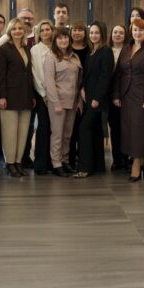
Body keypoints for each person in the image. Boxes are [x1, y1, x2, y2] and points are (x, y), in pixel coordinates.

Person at [113, 18, 144, 182]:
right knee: (128, 130)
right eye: (135, 30)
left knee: (139, 131)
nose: (137, 32)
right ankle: (134, 159)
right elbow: (118, 74)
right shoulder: (126, 48)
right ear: (131, 32)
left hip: (142, 96)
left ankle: (136, 165)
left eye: (141, 30)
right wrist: (116, 95)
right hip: (125, 95)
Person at [0, 18, 35, 177]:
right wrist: (1, 96)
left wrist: (32, 95)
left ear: (24, 31)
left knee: (23, 131)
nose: (17, 31)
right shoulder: (4, 49)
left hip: (26, 96)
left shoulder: (27, 49)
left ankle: (18, 162)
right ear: (10, 31)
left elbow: (30, 74)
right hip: (10, 96)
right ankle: (10, 163)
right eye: (14, 29)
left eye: (20, 28)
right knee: (10, 132)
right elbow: (0, 75)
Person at [76, 21, 114, 178]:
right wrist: (82, 88)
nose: (93, 35)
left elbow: (106, 77)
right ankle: (98, 165)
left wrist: (97, 98)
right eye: (91, 32)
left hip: (98, 99)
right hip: (89, 96)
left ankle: (85, 167)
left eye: (97, 32)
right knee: (96, 130)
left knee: (84, 128)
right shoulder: (92, 52)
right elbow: (87, 75)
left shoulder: (106, 51)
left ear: (103, 34)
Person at [44, 27, 82, 177]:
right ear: (55, 40)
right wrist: (56, 103)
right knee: (57, 135)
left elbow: (79, 81)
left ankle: (65, 161)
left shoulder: (74, 57)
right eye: (60, 38)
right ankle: (56, 164)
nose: (63, 40)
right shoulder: (51, 57)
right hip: (58, 103)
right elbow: (49, 83)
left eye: (65, 37)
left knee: (67, 135)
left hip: (73, 102)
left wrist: (79, 101)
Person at [30, 19, 54, 175]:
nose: (46, 32)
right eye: (42, 30)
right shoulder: (35, 49)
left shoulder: (57, 47)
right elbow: (36, 74)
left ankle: (53, 162)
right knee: (43, 127)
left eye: (48, 29)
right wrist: (45, 94)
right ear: (39, 33)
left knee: (55, 129)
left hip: (57, 95)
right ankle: (40, 164)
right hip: (42, 94)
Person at [107, 24, 128, 171]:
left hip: (126, 94)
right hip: (110, 95)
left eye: (121, 32)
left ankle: (126, 158)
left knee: (126, 128)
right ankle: (116, 159)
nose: (118, 35)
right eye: (115, 32)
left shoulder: (129, 51)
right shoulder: (106, 51)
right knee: (114, 128)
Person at [68, 21, 89, 167]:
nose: (77, 32)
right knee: (70, 129)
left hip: (86, 94)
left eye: (80, 30)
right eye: (74, 30)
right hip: (69, 93)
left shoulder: (90, 49)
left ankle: (83, 160)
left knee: (83, 128)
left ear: (85, 33)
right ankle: (70, 160)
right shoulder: (66, 48)